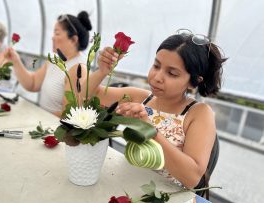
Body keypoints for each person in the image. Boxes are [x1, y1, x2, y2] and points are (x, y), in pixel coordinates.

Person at [84, 29, 226, 188]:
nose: (157, 77)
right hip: (125, 183)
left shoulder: (199, 113)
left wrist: (150, 131)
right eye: (156, 65)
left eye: (172, 73)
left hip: (165, 200)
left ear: (193, 82)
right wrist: (102, 71)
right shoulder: (141, 98)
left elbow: (192, 178)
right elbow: (86, 95)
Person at [3, 11, 92, 116]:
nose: (52, 37)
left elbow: (68, 115)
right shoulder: (54, 60)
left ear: (73, 40)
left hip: (54, 129)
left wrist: (36, 116)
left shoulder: (78, 69)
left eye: (57, 33)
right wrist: (16, 61)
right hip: (43, 123)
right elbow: (33, 83)